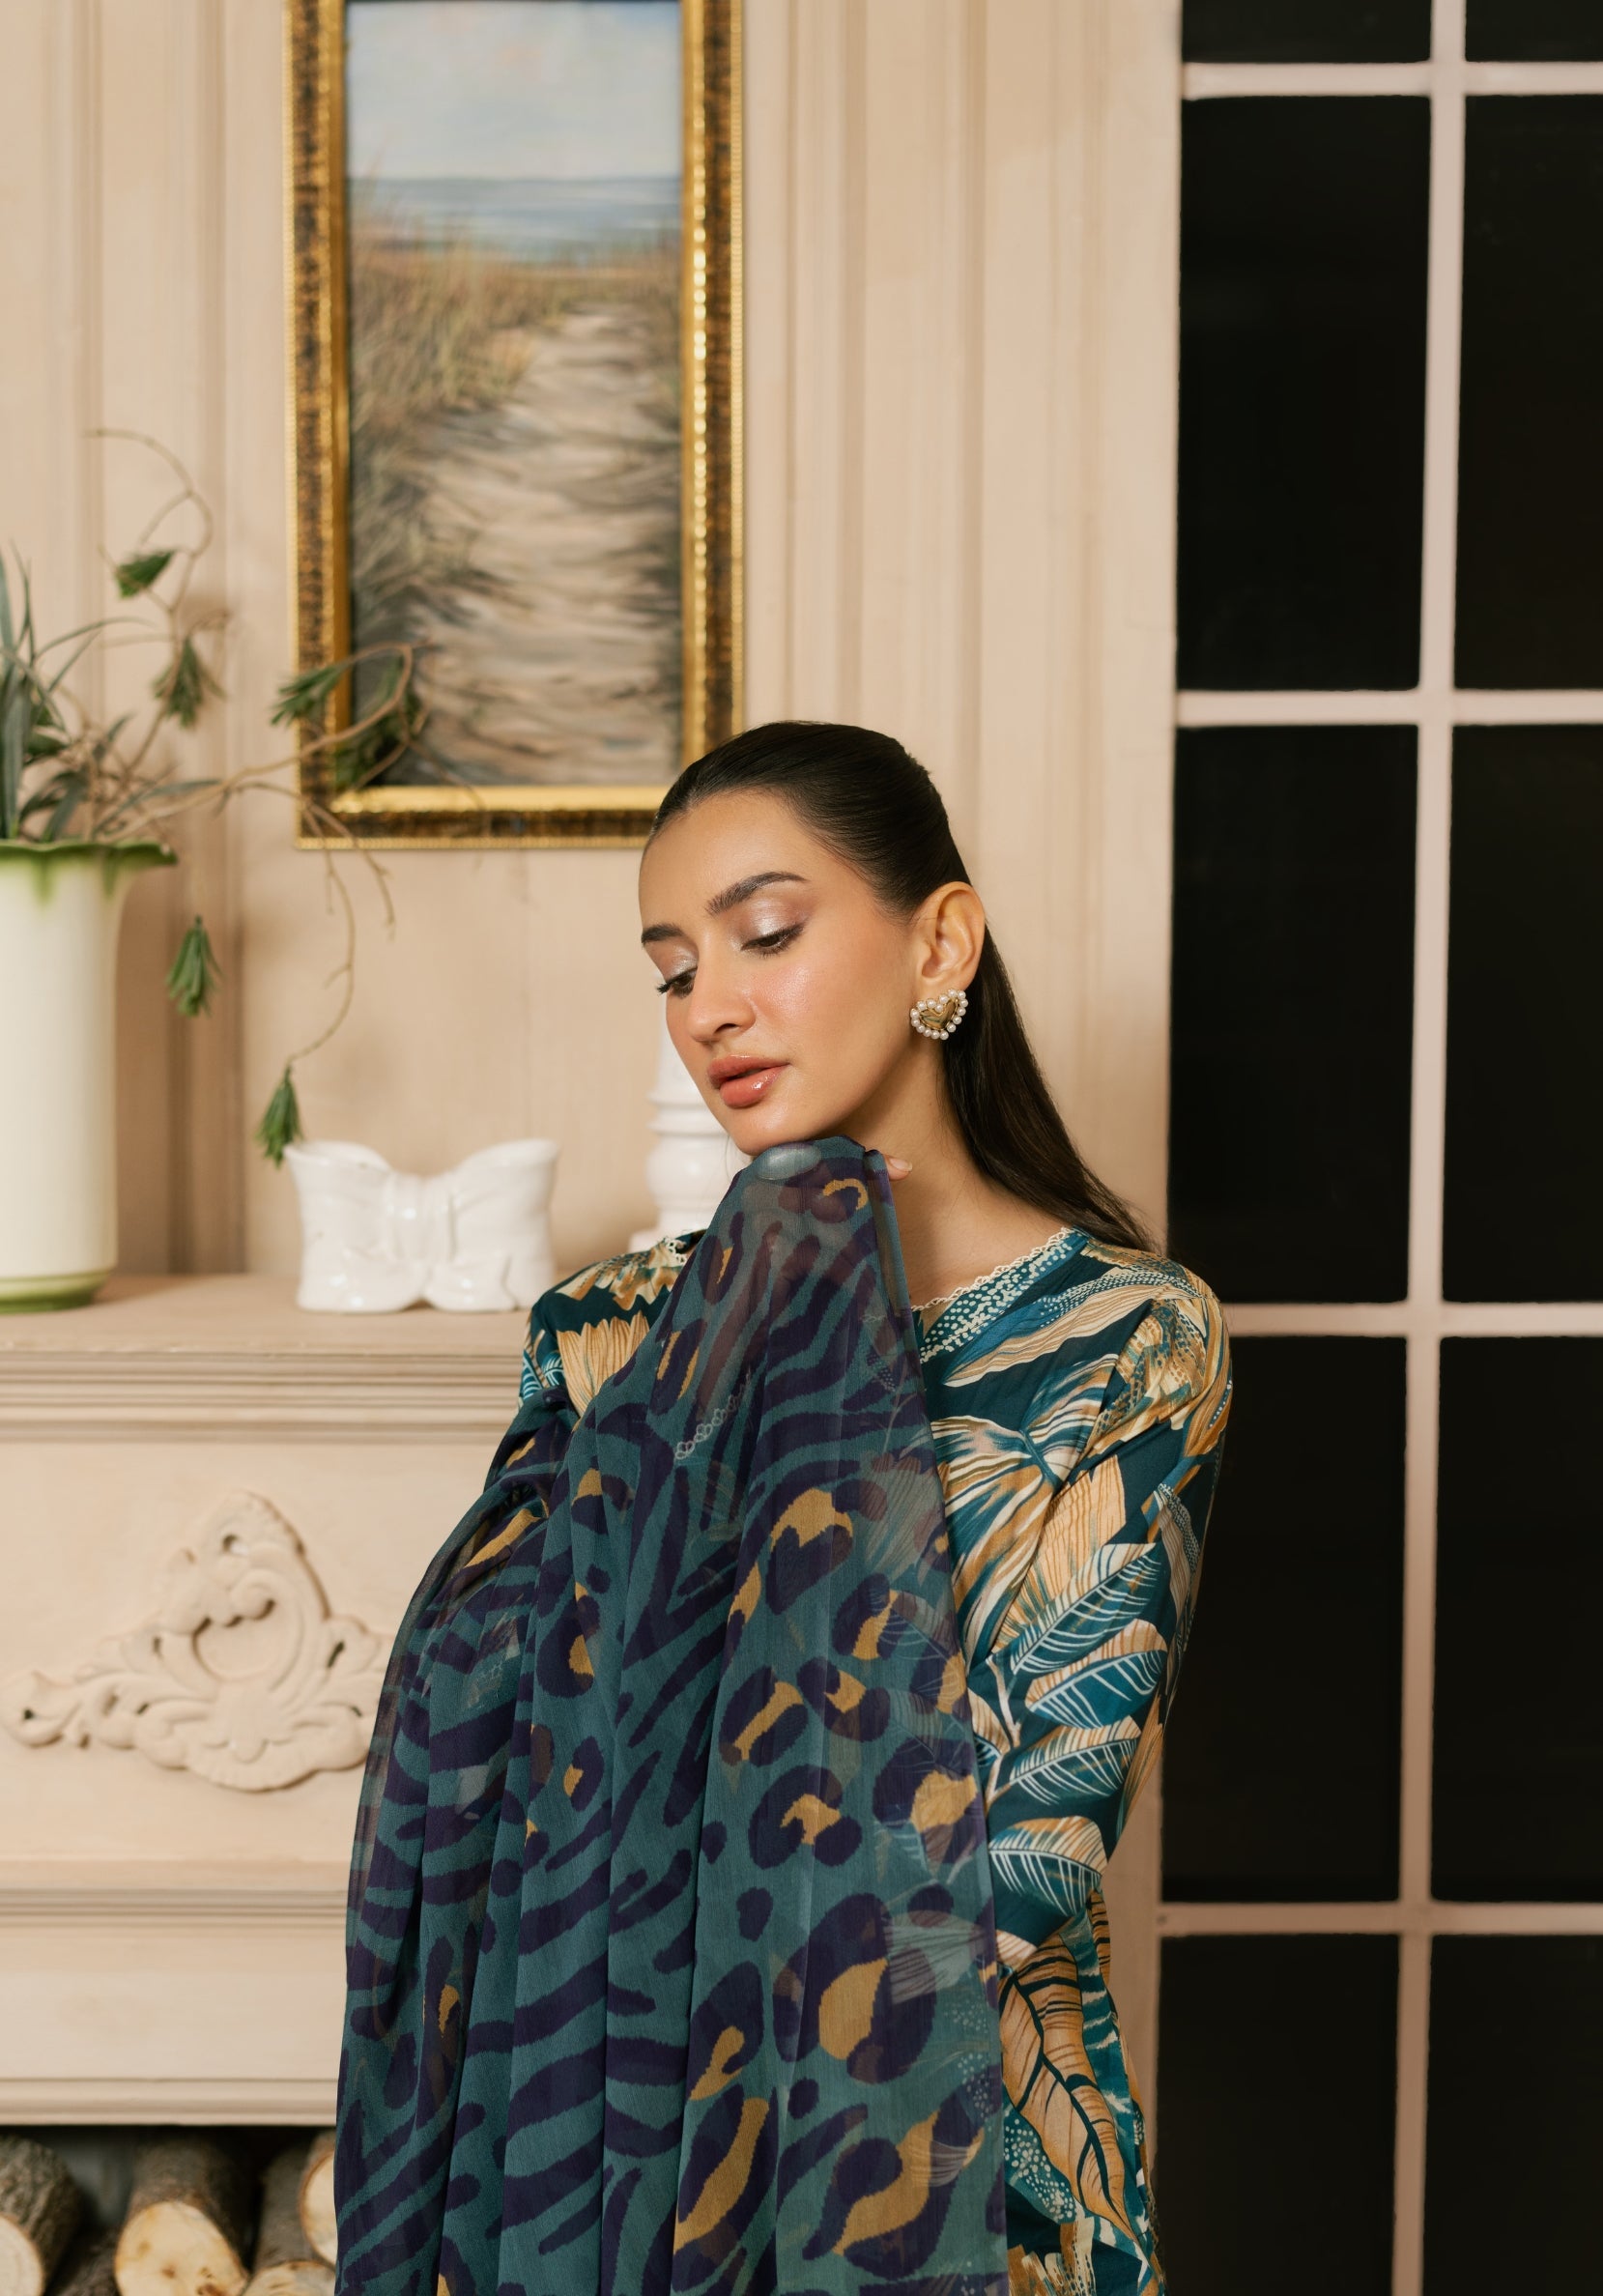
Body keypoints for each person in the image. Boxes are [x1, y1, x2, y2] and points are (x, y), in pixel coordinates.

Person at [334, 722, 1232, 2296]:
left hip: (964, 2166)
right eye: (673, 970)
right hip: (610, 2149)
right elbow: (497, 1756)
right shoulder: (610, 1332)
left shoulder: (1127, 1340)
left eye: (765, 934)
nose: (710, 1009)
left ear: (940, 944)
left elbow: (1028, 1836)